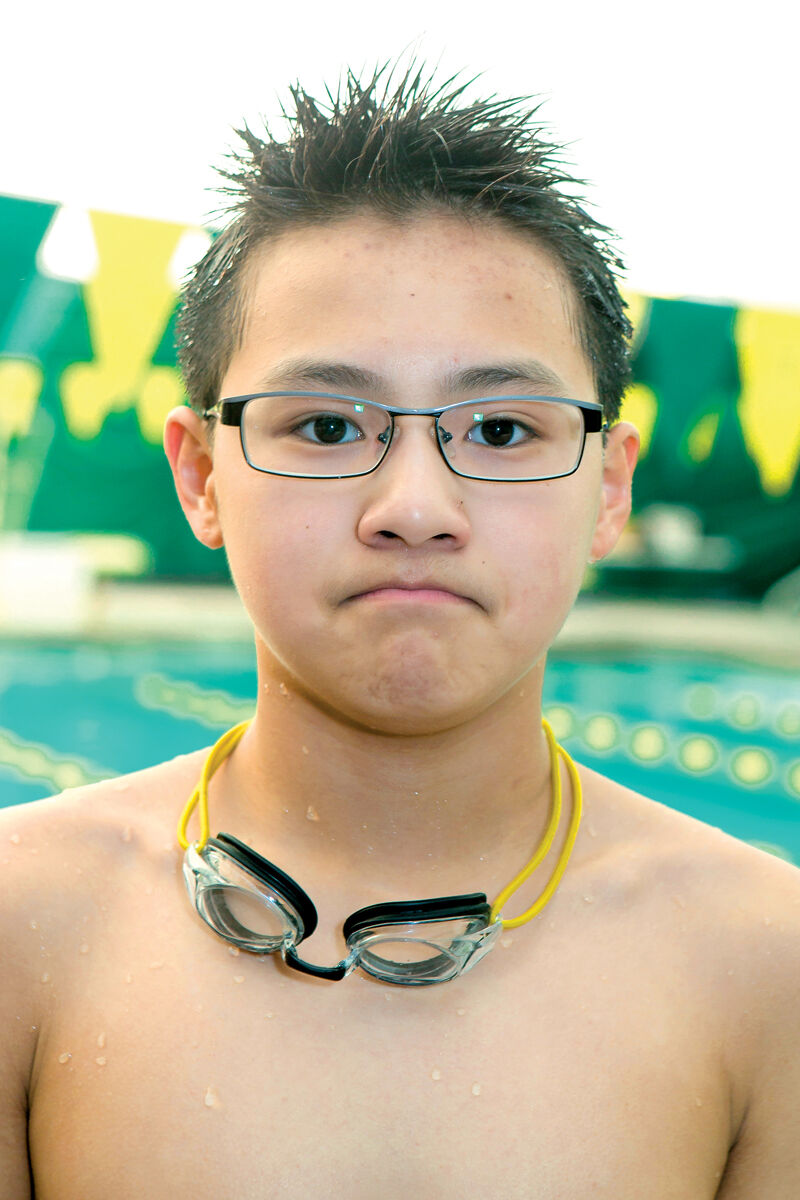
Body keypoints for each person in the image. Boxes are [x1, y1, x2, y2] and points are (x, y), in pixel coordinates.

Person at [2, 63, 799, 1199]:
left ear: (608, 488)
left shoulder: (766, 966)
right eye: (326, 424)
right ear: (200, 476)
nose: (415, 506)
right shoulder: (22, 924)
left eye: (504, 428)